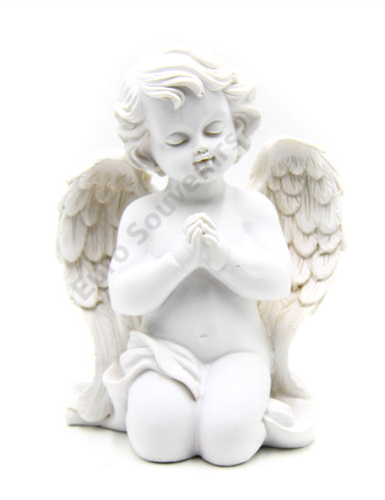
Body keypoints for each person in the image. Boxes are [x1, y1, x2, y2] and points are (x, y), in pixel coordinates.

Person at [104, 44, 292, 466]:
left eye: (213, 130)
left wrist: (222, 259)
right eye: (178, 139)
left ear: (237, 125)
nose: (201, 148)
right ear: (148, 149)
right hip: (164, 355)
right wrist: (179, 261)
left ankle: (257, 414)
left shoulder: (251, 208)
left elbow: (279, 281)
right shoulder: (144, 215)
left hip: (238, 354)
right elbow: (124, 297)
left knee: (227, 443)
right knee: (156, 441)